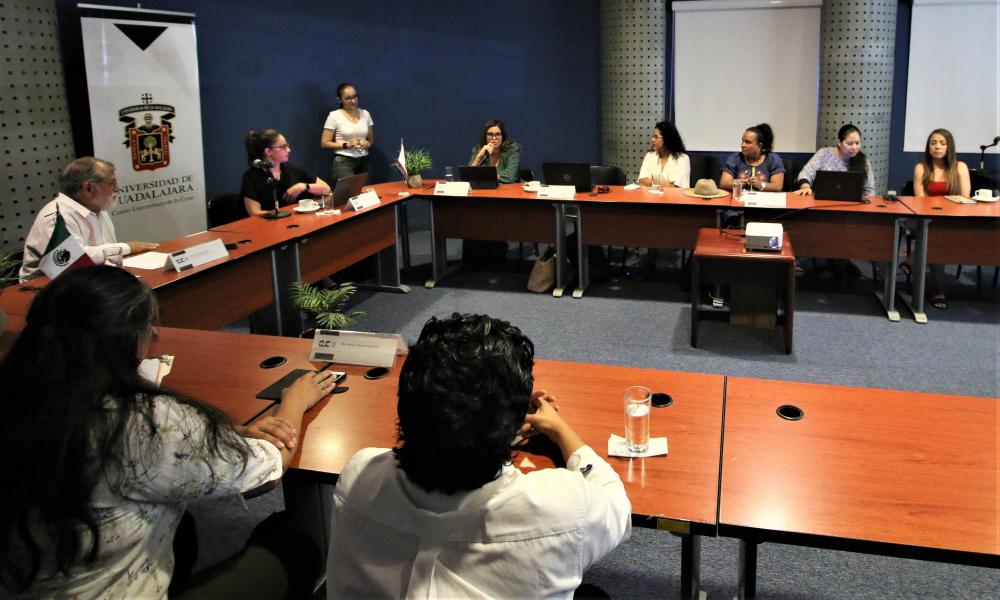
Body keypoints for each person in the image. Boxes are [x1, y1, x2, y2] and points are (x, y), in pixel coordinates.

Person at [0, 265, 330, 598]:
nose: (154, 336)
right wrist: (294, 402)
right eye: (148, 326)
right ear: (126, 338)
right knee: (295, 543)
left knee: (182, 527)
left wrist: (227, 432)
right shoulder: (142, 421)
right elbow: (267, 470)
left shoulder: (21, 396)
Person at [326, 314, 631, 599]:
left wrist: (499, 419)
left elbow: (442, 439)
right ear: (511, 426)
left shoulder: (359, 475)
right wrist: (562, 432)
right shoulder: (562, 508)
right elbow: (617, 506)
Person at [19, 157, 159, 281]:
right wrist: (126, 248)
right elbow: (73, 259)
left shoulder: (98, 209)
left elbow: (105, 259)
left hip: (90, 283)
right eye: (113, 184)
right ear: (89, 188)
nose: (118, 189)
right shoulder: (56, 217)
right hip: (47, 295)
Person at [904, 128, 972, 309]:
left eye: (942, 143)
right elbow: (920, 199)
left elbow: (965, 196)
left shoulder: (960, 167)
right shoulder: (921, 168)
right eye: (933, 143)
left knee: (934, 236)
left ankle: (912, 261)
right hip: (927, 218)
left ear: (949, 147)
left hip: (953, 219)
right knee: (934, 235)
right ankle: (939, 292)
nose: (937, 147)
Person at [242, 128, 330, 216]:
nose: (288, 150)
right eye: (283, 147)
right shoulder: (251, 177)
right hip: (269, 224)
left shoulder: (293, 169)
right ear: (268, 151)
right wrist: (282, 215)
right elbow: (254, 213)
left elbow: (326, 189)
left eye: (287, 145)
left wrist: (303, 186)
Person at [795, 123, 875, 197]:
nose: (854, 147)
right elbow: (805, 174)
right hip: (822, 202)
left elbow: (869, 190)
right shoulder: (823, 154)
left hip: (852, 206)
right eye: (850, 143)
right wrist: (805, 187)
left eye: (857, 143)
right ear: (839, 142)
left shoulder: (863, 160)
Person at [320, 83, 374, 181]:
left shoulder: (365, 114)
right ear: (340, 99)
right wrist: (346, 145)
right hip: (343, 161)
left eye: (355, 97)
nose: (353, 101)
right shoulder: (334, 116)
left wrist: (367, 144)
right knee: (348, 193)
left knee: (366, 193)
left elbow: (370, 140)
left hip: (364, 159)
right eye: (348, 98)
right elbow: (324, 143)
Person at [719, 123, 785, 192]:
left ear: (759, 146)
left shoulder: (773, 159)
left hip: (764, 201)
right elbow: (723, 183)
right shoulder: (734, 158)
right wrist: (736, 183)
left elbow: (777, 186)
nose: (743, 145)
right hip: (740, 200)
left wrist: (761, 185)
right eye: (743, 141)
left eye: (747, 142)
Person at [638, 120, 691, 188]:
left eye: (656, 137)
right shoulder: (649, 156)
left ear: (667, 139)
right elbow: (642, 180)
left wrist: (652, 181)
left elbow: (674, 187)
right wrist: (663, 182)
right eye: (653, 136)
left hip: (674, 198)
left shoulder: (683, 159)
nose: (652, 140)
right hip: (651, 198)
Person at [468, 119, 522, 183]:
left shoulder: (512, 150)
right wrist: (479, 157)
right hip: (486, 190)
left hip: (508, 190)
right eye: (490, 134)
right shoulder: (479, 150)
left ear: (503, 137)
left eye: (498, 134)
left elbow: (510, 177)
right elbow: (468, 176)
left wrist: (483, 176)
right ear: (485, 137)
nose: (494, 138)